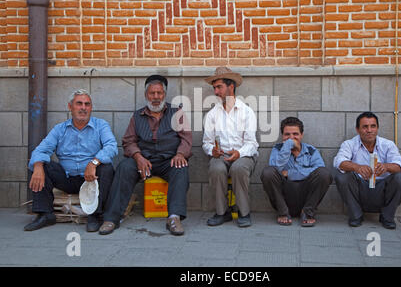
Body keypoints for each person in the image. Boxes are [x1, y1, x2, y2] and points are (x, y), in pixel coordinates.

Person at [100, 75, 192, 236]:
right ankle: (111, 218)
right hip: (143, 160)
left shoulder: (177, 112)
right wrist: (138, 157)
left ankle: (174, 217)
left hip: (168, 160)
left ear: (164, 94)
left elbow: (186, 139)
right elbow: (128, 141)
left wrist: (180, 154)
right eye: (152, 93)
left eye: (159, 93)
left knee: (181, 168)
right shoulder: (137, 116)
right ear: (146, 95)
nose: (156, 97)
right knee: (124, 167)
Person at [25, 89, 117, 232]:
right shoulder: (60, 129)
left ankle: (95, 215)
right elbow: (40, 150)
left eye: (87, 104)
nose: (83, 108)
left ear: (91, 107)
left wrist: (94, 162)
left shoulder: (101, 125)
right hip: (67, 179)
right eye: (79, 104)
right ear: (70, 107)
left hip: (92, 180)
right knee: (40, 165)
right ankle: (45, 214)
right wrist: (37, 166)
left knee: (106, 168)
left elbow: (111, 147)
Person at [333, 111, 401, 229]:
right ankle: (356, 215)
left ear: (377, 128)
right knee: (341, 176)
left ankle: (387, 217)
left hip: (382, 190)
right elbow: (339, 162)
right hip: (360, 189)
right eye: (365, 127)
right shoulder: (349, 144)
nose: (369, 130)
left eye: (373, 126)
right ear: (357, 129)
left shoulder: (388, 144)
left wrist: (386, 167)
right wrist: (357, 167)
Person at [202, 67, 259, 228]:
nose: (215, 91)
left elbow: (252, 143)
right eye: (214, 87)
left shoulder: (247, 112)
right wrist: (211, 150)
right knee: (216, 169)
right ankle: (222, 213)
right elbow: (207, 142)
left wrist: (239, 153)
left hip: (244, 155)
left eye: (219, 87)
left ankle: (244, 212)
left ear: (231, 87)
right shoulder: (213, 114)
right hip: (221, 155)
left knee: (238, 169)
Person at [261, 117, 332, 227]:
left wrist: (290, 173)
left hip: (306, 196)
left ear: (302, 135)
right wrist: (288, 146)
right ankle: (283, 213)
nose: (291, 138)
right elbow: (276, 169)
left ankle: (307, 213)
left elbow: (320, 170)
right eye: (287, 135)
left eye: (295, 134)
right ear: (282, 136)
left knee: (324, 174)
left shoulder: (311, 150)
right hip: (284, 197)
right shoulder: (277, 149)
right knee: (268, 172)